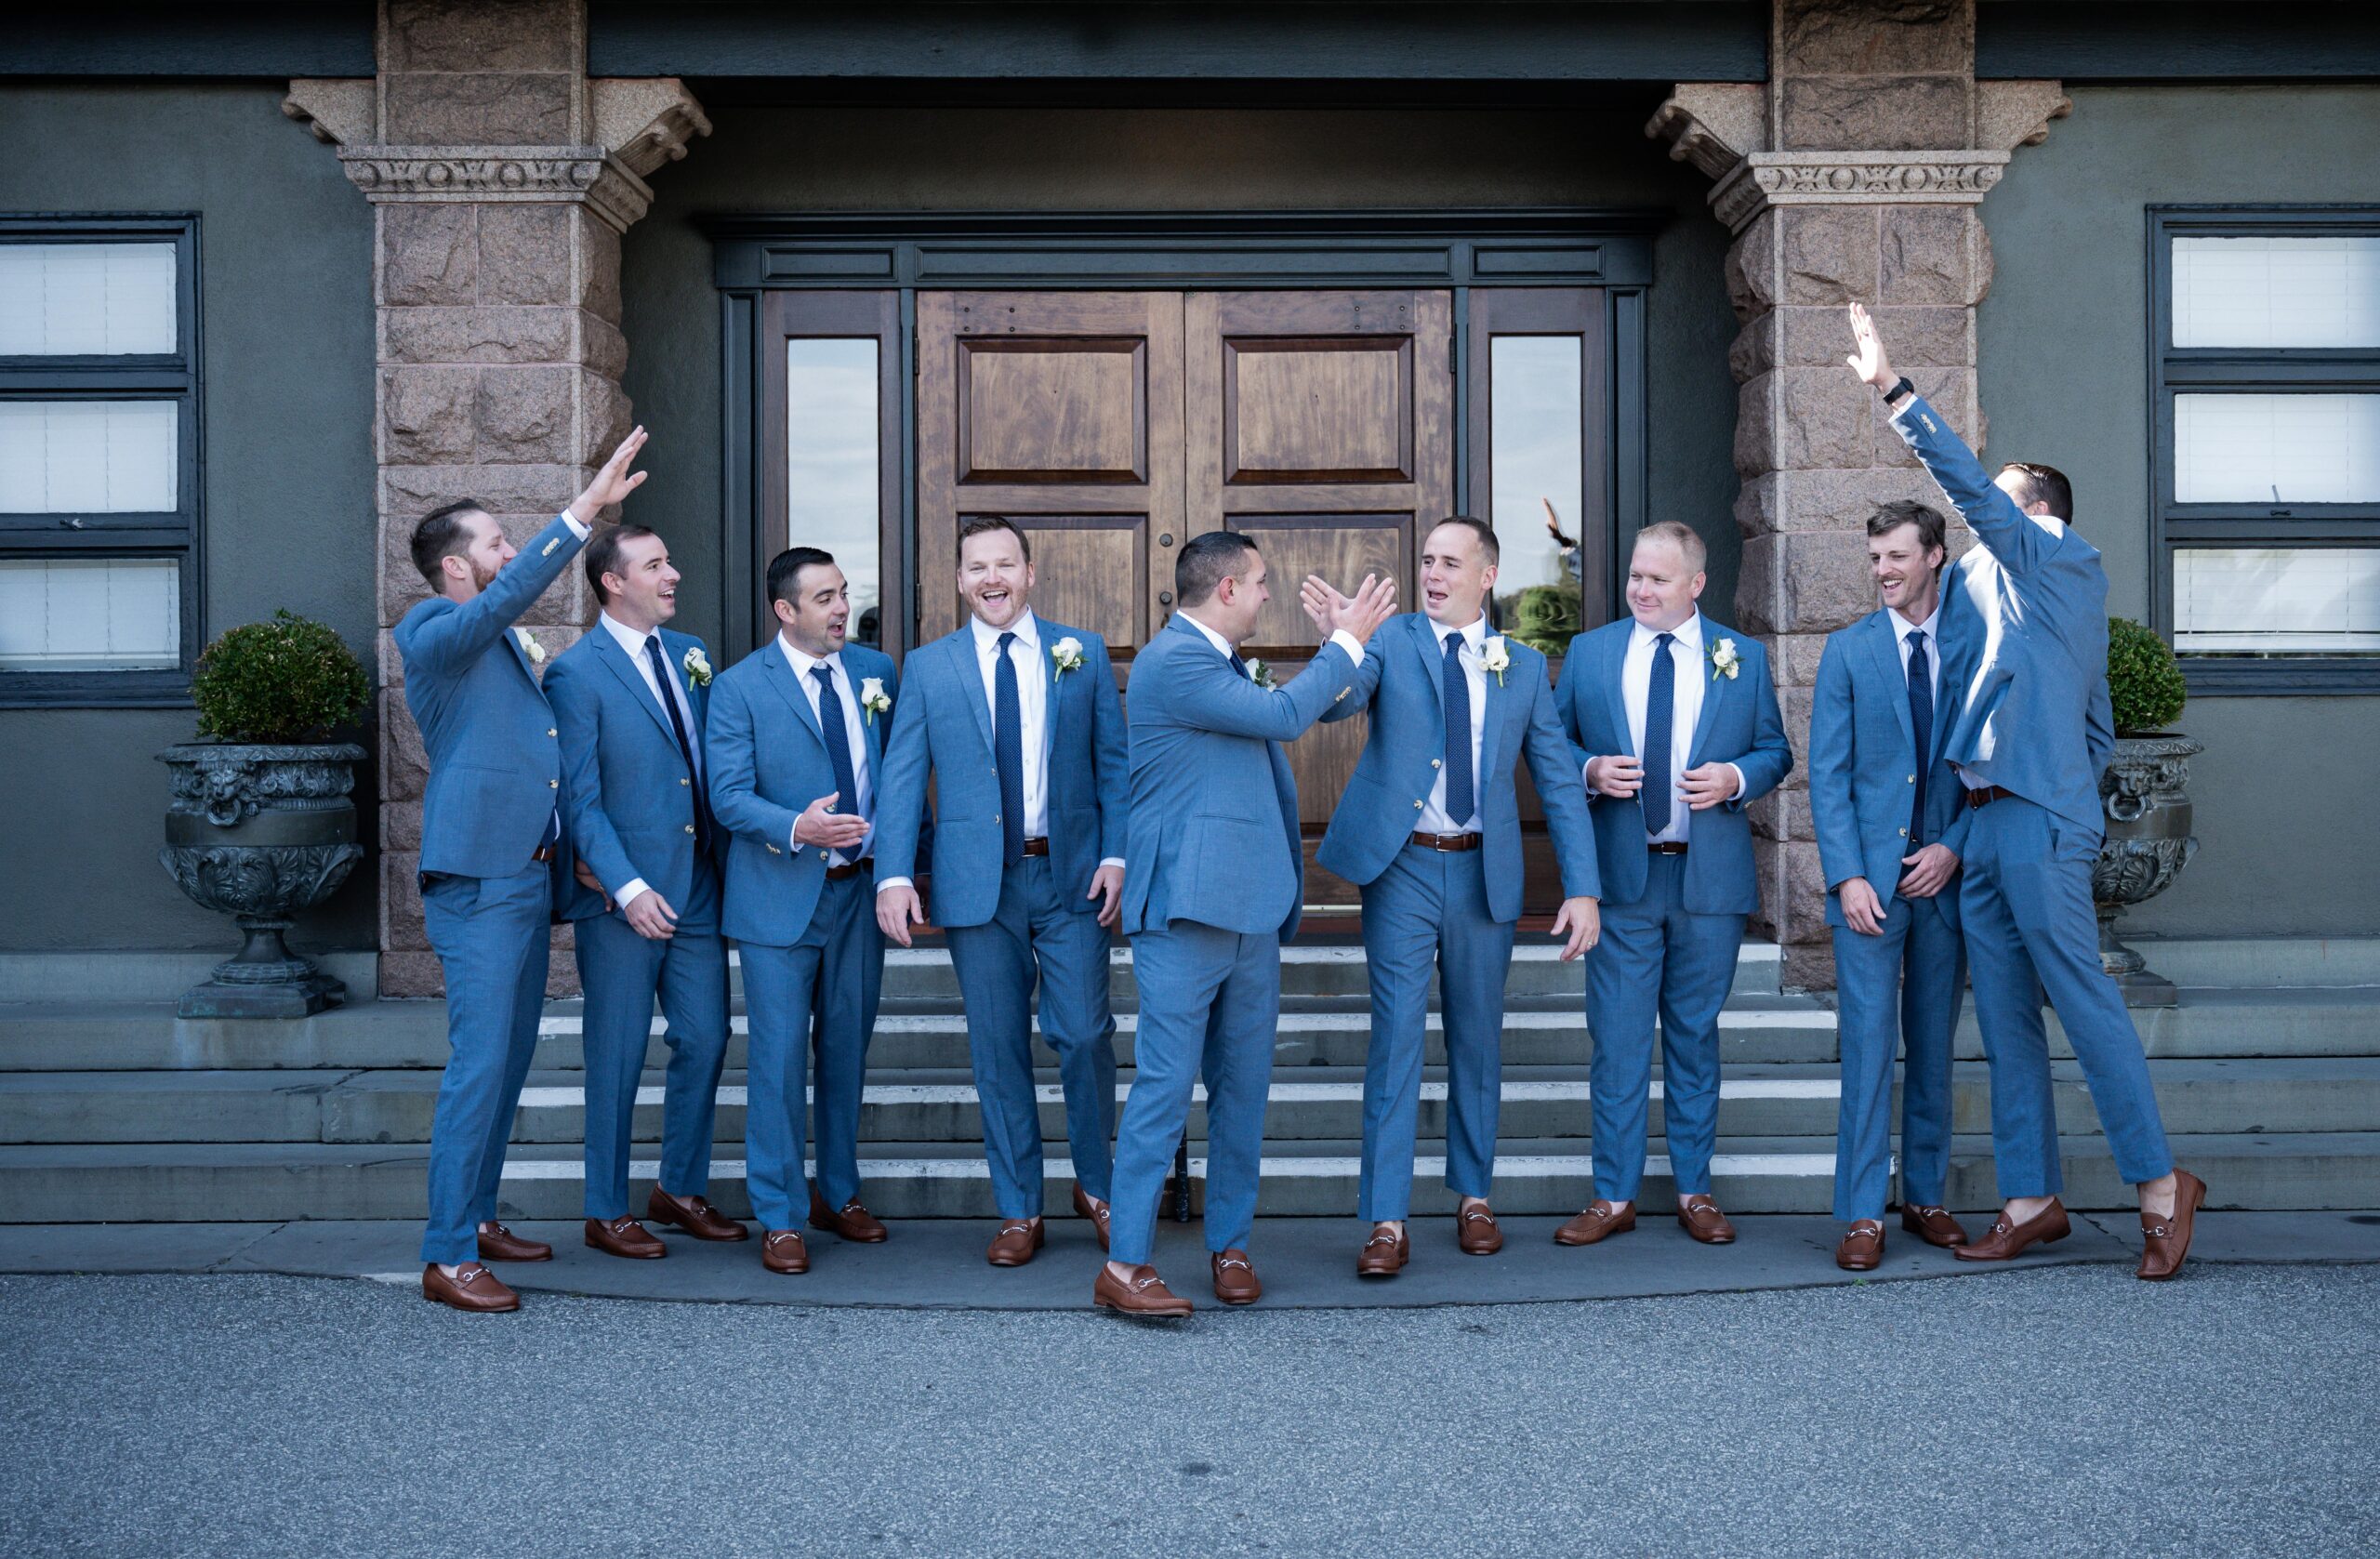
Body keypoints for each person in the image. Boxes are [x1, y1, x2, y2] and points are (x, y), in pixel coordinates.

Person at [1846, 301, 2205, 1279]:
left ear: (2037, 509)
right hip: (1985, 827)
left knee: (2083, 1004)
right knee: (2004, 1020)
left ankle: (2161, 1187)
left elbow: (1972, 494)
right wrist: (2000, 803)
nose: (1980, 526)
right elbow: (2093, 719)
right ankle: (2031, 1199)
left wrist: (1894, 391)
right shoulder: (2001, 591)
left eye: (1998, 508)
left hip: (2039, 827)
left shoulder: (2060, 557)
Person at [1094, 534, 1395, 1316]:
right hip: (1186, 910)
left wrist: (1350, 649)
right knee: (1164, 1087)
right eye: (1260, 582)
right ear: (1226, 588)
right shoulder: (1173, 660)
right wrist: (1346, 640)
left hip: (1253, 910)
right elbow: (1286, 715)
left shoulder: (1223, 662)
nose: (1267, 594)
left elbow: (1287, 717)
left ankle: (1230, 1244)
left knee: (1242, 1090)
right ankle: (1125, 1263)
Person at [396, 427, 649, 1314]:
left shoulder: (494, 641)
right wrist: (583, 513)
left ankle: (476, 1214)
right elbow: (502, 601)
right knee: (480, 1062)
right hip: (479, 880)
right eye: (496, 543)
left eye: (511, 541)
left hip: (528, 880)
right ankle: (447, 1253)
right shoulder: (432, 626)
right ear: (456, 567)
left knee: (507, 1059)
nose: (507, 554)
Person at [1316, 516, 1601, 1277]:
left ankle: (1475, 1196)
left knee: (1478, 1040)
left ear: (1487, 576)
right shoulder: (1389, 640)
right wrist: (1342, 642)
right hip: (1404, 868)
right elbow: (1337, 705)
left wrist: (1583, 887)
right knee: (1397, 1038)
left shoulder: (1524, 666)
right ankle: (1386, 1219)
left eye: (1449, 562)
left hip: (1484, 875)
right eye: (1427, 560)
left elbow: (1558, 782)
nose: (1433, 574)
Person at [874, 517, 1130, 1266]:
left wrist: (1117, 855)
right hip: (976, 884)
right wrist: (894, 873)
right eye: (978, 566)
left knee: (1084, 1033)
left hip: (1070, 875)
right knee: (996, 1046)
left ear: (1030, 572)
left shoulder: (1081, 653)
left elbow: (1113, 765)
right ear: (960, 580)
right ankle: (1019, 1207)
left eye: (1006, 564)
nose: (993, 578)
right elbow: (902, 777)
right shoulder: (929, 667)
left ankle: (1098, 1185)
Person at [1553, 521, 1792, 1249]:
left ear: (1696, 584)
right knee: (1618, 1041)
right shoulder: (1591, 653)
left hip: (1707, 879)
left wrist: (1736, 777)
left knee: (1693, 1035)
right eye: (1636, 575)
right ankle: (1613, 1194)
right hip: (1622, 880)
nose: (1641, 589)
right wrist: (1590, 769)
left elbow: (1776, 750)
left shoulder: (1742, 656)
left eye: (1658, 578)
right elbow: (1550, 746)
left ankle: (1695, 1189)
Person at [544, 524, 744, 1261]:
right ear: (612, 581)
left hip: (698, 884)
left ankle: (678, 1189)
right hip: (620, 896)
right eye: (655, 564)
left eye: (669, 559)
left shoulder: (690, 653)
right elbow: (580, 799)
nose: (673, 574)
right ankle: (605, 1208)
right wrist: (626, 887)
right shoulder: (576, 673)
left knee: (707, 1036)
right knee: (618, 1050)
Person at [706, 548, 900, 1276]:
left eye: (843, 593)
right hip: (777, 898)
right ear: (785, 610)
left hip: (859, 895)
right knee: (780, 1060)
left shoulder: (876, 673)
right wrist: (798, 826)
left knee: (846, 1049)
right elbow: (727, 795)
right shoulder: (738, 688)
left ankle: (838, 1194)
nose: (842, 607)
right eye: (825, 598)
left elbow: (900, 775)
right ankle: (781, 1214)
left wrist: (906, 869)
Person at [1808, 499, 1975, 1271]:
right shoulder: (1848, 651)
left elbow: (1994, 763)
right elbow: (1829, 775)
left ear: (1934, 555)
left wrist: (1954, 848)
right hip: (1867, 890)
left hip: (1944, 882)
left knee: (1933, 1045)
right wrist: (1846, 876)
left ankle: (1926, 1197)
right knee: (1869, 1048)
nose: (1882, 570)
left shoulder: (1973, 646)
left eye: (1897, 556)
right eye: (1875, 558)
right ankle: (1862, 1210)